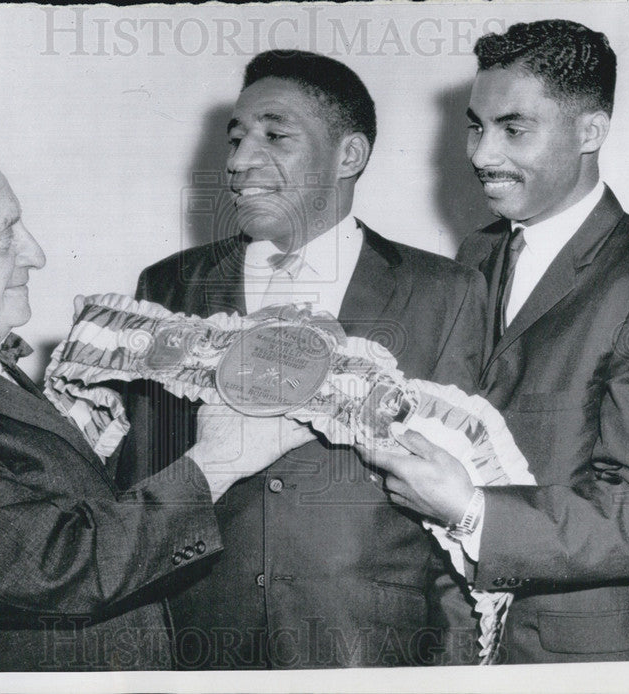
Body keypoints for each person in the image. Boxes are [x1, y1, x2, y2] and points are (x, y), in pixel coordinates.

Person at [0, 147, 313, 672]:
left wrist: (73, 446)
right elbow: (62, 568)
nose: (35, 253)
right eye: (5, 236)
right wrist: (220, 459)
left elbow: (5, 509)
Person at [362, 20, 629, 663]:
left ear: (591, 131)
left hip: (580, 657)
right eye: (475, 125)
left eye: (513, 128)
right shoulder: (477, 252)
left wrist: (475, 513)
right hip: (455, 643)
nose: (480, 153)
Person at [122, 50, 488, 668]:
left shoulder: (445, 293)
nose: (238, 162)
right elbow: (142, 479)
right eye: (234, 138)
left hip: (373, 649)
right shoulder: (168, 287)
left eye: (274, 135)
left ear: (350, 156)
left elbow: (462, 499)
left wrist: (454, 673)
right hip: (197, 644)